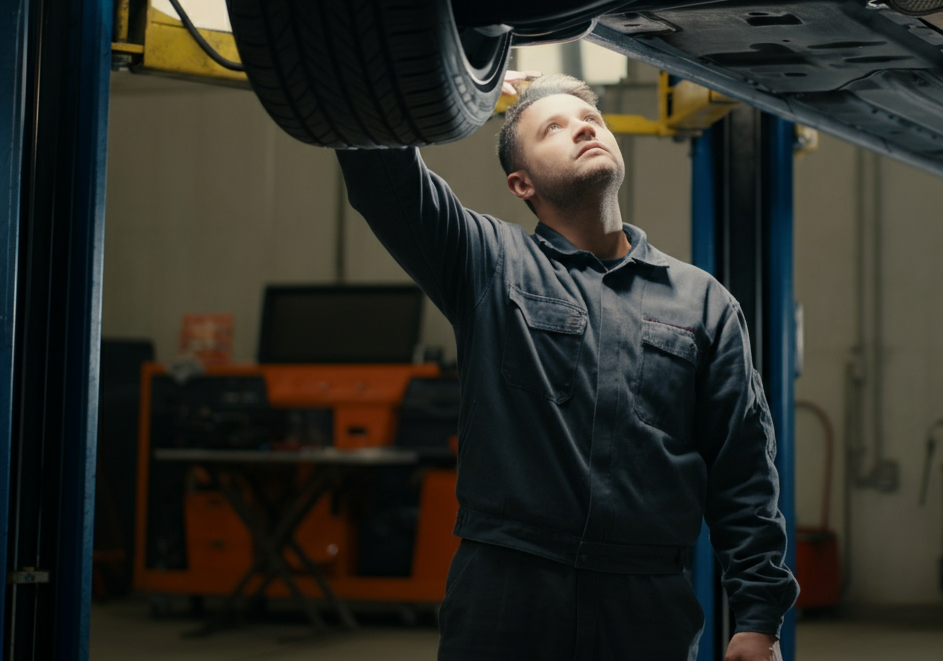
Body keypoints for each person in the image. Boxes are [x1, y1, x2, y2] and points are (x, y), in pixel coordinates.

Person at [338, 70, 797, 661]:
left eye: (592, 120)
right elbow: (383, 178)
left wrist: (759, 618)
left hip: (645, 607)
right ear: (520, 182)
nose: (583, 126)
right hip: (507, 596)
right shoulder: (488, 264)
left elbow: (742, 473)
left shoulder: (703, 303)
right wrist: (460, 85)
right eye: (552, 127)